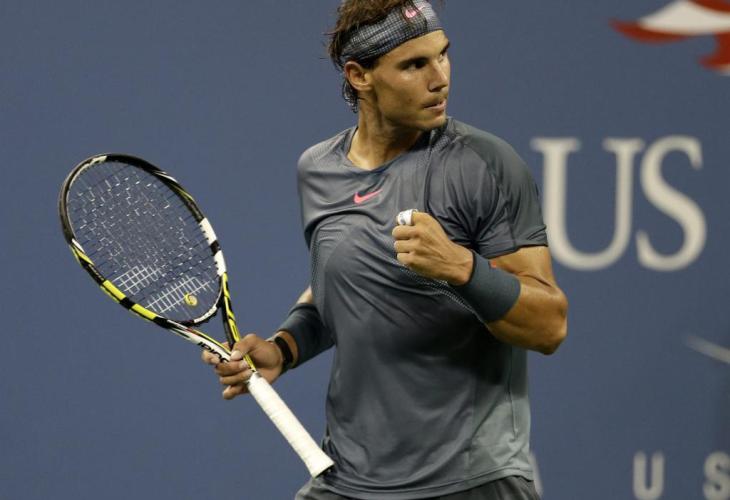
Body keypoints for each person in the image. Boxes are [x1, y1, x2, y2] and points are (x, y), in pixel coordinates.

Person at [202, 1, 568, 498]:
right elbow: (342, 288)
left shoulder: (484, 164)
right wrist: (283, 349)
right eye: (414, 65)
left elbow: (549, 327)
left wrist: (461, 267)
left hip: (469, 480)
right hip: (350, 478)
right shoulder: (318, 169)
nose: (440, 78)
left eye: (443, 55)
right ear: (360, 76)